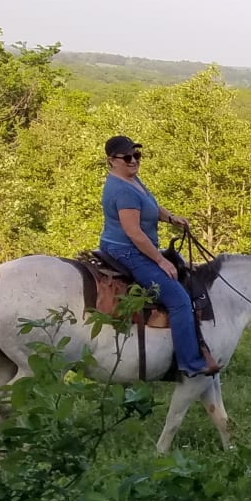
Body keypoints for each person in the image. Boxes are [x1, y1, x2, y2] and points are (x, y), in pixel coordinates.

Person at [99, 134, 215, 376]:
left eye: (137, 155)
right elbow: (134, 233)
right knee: (180, 300)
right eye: (127, 157)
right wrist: (160, 260)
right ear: (112, 160)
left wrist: (171, 217)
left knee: (183, 268)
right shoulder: (122, 190)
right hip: (129, 251)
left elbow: (151, 205)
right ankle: (190, 364)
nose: (134, 160)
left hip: (131, 246)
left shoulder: (133, 180)